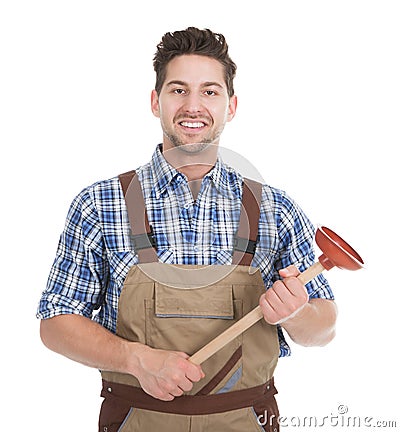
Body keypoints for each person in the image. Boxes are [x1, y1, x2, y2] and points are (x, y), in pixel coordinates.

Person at [37, 27, 337, 432]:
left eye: (210, 92)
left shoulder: (274, 208)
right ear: (154, 101)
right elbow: (55, 322)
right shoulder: (101, 203)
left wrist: (297, 312)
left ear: (231, 106)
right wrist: (134, 359)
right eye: (178, 90)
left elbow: (324, 327)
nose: (193, 106)